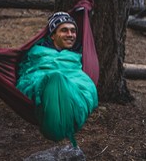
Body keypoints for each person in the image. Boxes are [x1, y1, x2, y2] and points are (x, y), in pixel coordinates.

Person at [16, 12, 98, 147]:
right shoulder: (37, 52)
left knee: (61, 80)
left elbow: (77, 75)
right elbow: (28, 73)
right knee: (55, 78)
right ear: (53, 35)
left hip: (73, 85)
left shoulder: (78, 55)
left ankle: (65, 111)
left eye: (73, 31)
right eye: (64, 30)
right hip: (46, 84)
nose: (70, 35)